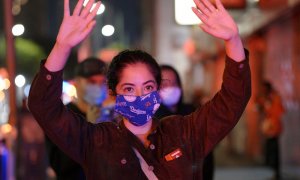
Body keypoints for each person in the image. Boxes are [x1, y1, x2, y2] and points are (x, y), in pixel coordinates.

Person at [28, 0, 251, 179]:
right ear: (113, 93)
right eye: (128, 88)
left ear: (157, 90)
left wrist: (233, 40)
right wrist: (62, 47)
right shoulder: (95, 141)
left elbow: (233, 98)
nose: (139, 96)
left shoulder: (184, 132)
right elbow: (43, 105)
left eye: (148, 87)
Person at [45, 57, 116, 180]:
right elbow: (61, 165)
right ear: (77, 83)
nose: (98, 86)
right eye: (92, 82)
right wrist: (89, 130)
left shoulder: (112, 116)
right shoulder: (61, 116)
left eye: (103, 82)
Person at [155, 65, 215, 180]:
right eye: (164, 85)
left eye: (174, 83)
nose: (170, 88)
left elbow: (206, 153)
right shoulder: (151, 121)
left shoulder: (192, 112)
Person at [256, 81, 284, 180]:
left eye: (264, 89)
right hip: (268, 129)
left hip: (274, 129)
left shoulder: (275, 97)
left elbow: (280, 111)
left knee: (274, 151)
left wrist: (270, 107)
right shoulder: (264, 97)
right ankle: (274, 172)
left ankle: (277, 173)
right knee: (269, 151)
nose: (262, 91)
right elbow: (259, 106)